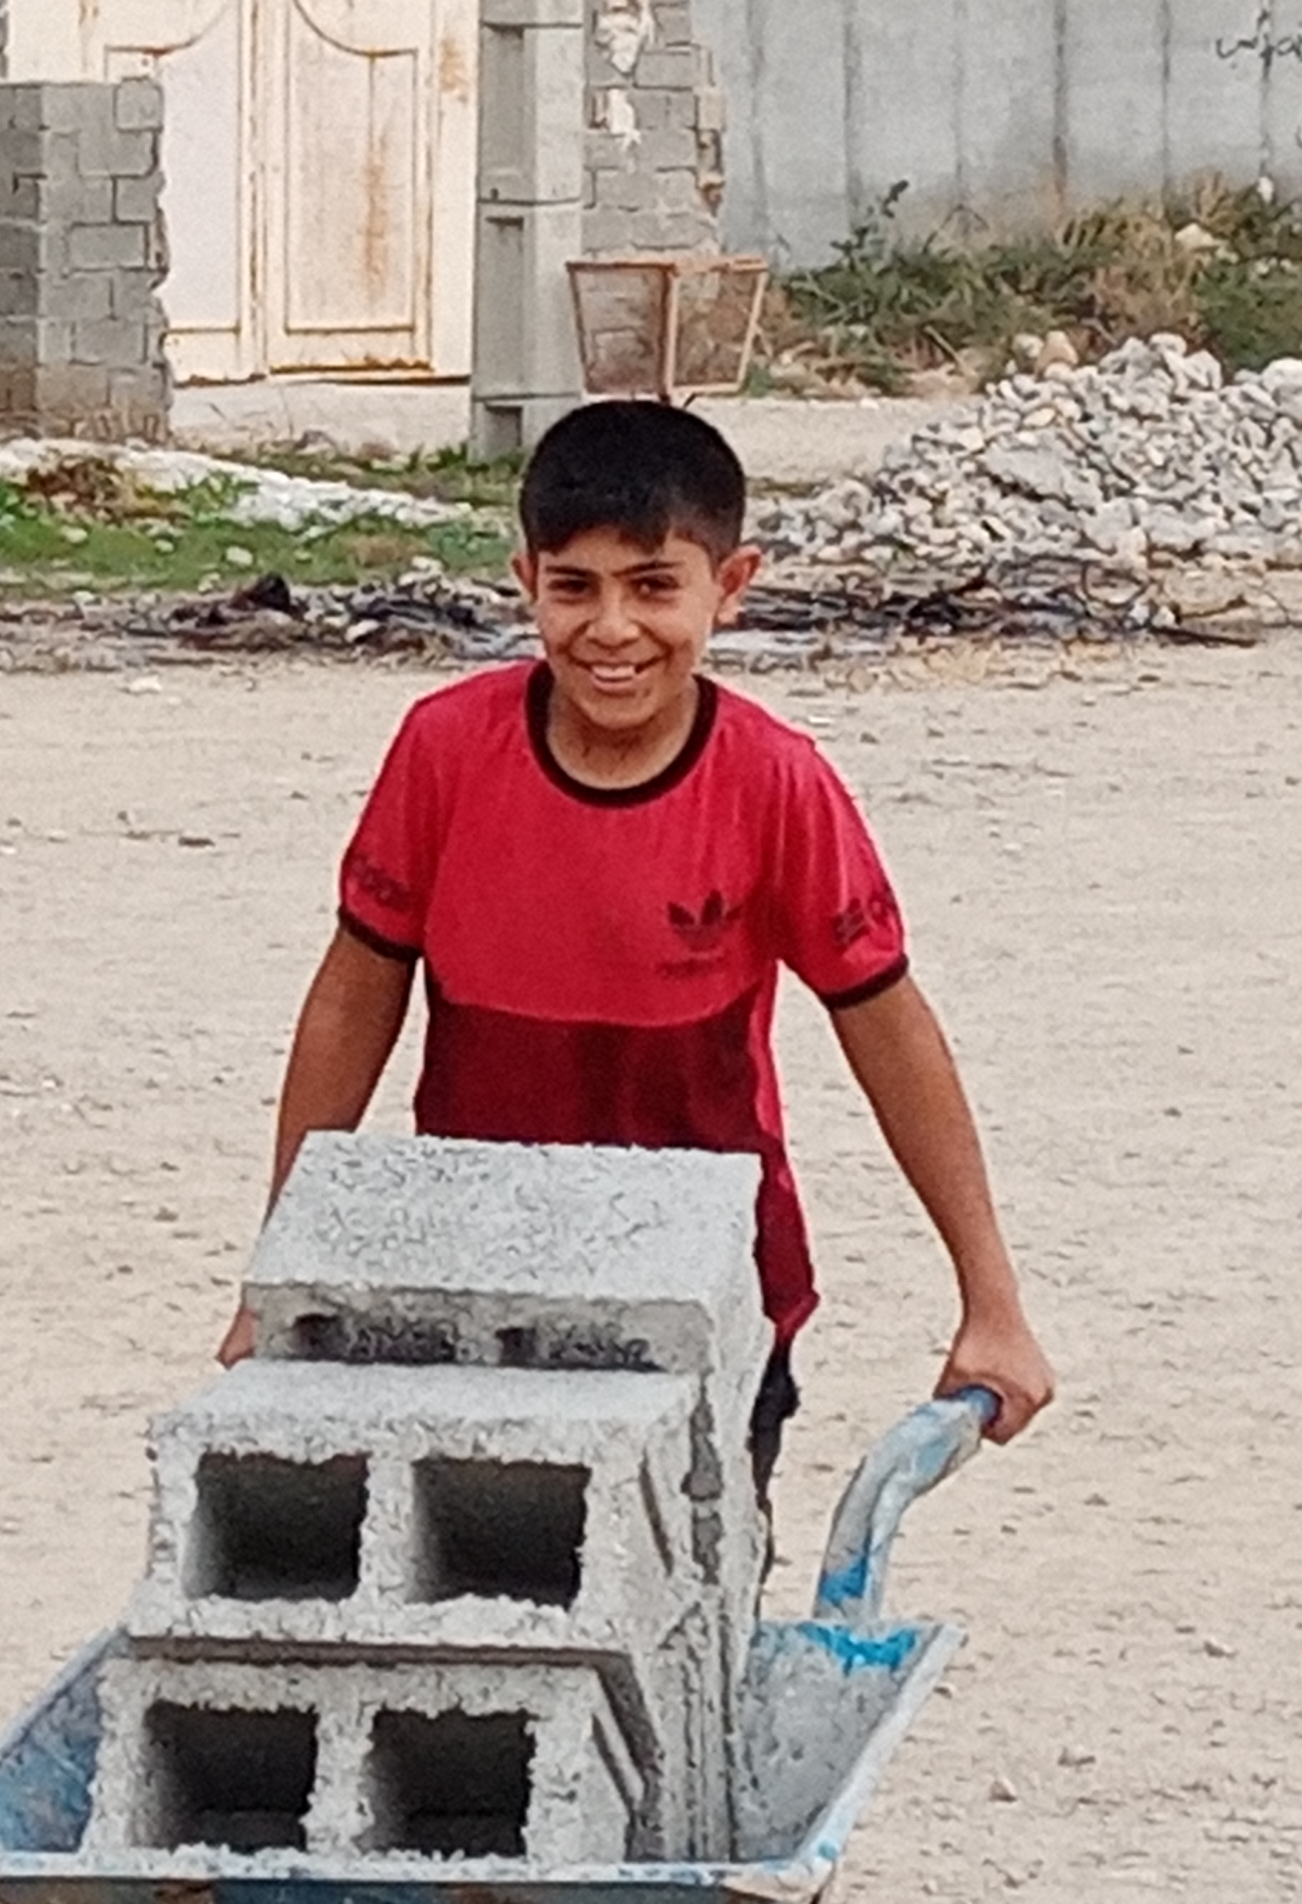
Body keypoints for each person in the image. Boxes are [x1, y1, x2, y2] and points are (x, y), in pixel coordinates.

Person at [223, 399, 1055, 1483]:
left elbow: (887, 1028)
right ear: (525, 581)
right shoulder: (443, 753)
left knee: (687, 1611)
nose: (610, 630)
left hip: (711, 1296)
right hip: (475, 1286)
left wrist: (990, 1299)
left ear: (731, 585)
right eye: (573, 588)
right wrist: (278, 1272)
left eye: (654, 586)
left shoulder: (773, 784)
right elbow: (351, 1000)